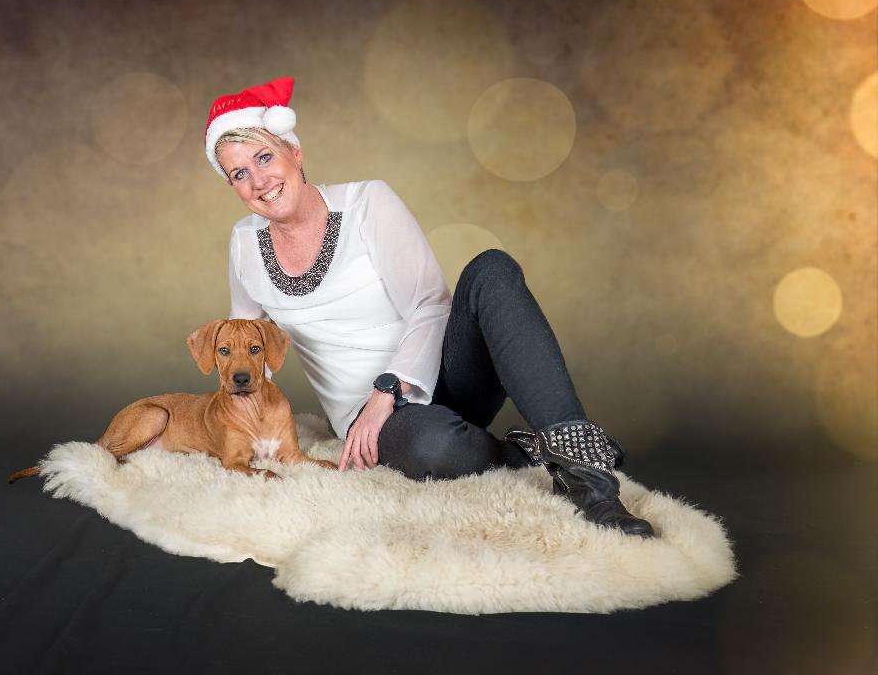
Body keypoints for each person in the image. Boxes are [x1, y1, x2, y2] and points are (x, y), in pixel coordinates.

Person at [205, 77, 653, 538]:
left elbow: (429, 304)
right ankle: (521, 452)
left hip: (443, 374)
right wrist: (212, 424)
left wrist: (387, 389)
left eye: (264, 158)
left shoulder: (367, 202)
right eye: (239, 174)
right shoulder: (244, 244)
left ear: (294, 153)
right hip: (367, 415)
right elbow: (246, 344)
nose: (258, 181)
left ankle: (590, 482)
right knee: (432, 446)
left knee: (492, 270)